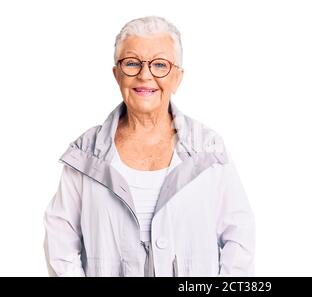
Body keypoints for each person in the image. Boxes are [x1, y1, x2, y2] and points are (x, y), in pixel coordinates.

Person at [43, 16, 255, 277]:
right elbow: (60, 240)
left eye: (160, 65)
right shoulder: (87, 153)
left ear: (177, 77)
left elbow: (239, 235)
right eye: (132, 63)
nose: (145, 75)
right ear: (116, 74)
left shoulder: (207, 149)